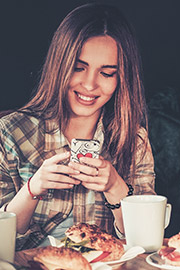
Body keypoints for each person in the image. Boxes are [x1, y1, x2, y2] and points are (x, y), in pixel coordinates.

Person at [0, 3, 155, 250]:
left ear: (121, 78)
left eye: (106, 73)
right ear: (59, 65)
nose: (90, 85)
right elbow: (1, 244)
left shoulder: (134, 140)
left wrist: (115, 186)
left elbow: (147, 241)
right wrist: (32, 189)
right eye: (78, 68)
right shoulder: (10, 133)